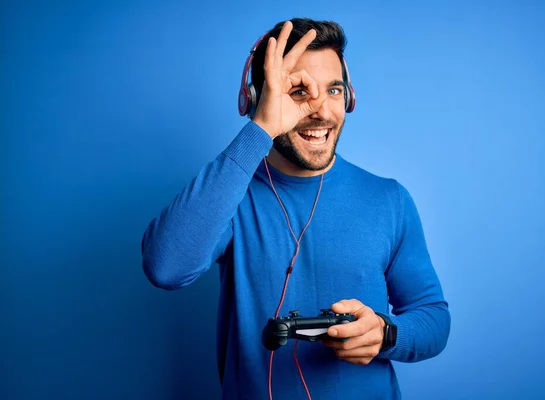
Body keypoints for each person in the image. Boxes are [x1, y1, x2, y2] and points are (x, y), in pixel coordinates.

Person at [141, 17, 450, 400]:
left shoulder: (390, 199)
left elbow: (434, 318)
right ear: (258, 99)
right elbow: (166, 267)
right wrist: (259, 130)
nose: (321, 109)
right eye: (299, 91)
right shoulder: (232, 193)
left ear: (349, 97)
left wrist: (386, 334)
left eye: (334, 90)